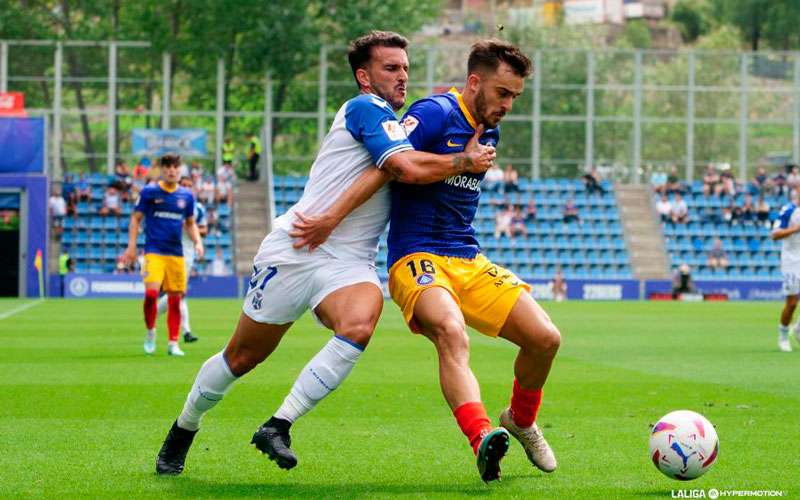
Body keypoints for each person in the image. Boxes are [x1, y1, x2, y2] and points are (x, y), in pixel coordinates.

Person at [152, 31, 496, 477]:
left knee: (360, 322)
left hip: (349, 261)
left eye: (405, 68)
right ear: (364, 76)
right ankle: (184, 427)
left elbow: (411, 166)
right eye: (391, 68)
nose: (402, 76)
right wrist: (463, 162)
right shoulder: (364, 109)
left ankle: (278, 425)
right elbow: (402, 167)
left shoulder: (400, 124)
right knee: (241, 358)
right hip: (298, 246)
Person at [384, 39, 559, 483]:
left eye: (515, 97)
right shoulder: (433, 113)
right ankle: (482, 436)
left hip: (467, 258)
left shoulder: (490, 126)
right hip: (416, 254)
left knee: (545, 339)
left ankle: (519, 421)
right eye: (502, 93)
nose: (508, 105)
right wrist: (461, 159)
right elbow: (395, 164)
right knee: (450, 330)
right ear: (474, 81)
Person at [121, 154, 204, 357]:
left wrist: (198, 242)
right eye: (167, 167)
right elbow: (135, 219)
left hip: (177, 254)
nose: (171, 170)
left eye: (175, 167)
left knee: (176, 299)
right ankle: (151, 332)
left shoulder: (187, 196)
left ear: (180, 169)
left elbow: (191, 223)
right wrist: (131, 247)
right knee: (151, 294)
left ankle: (173, 343)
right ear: (161, 169)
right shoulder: (150, 192)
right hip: (153, 252)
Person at [156, 176, 208, 344]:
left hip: (187, 253)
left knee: (178, 293)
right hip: (169, 250)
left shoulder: (198, 208)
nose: (186, 188)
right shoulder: (170, 204)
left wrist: (192, 228)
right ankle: (185, 331)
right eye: (183, 185)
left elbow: (204, 229)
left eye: (189, 186)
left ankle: (154, 312)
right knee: (178, 292)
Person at [771, 189, 800, 352]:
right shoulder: (789, 210)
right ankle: (783, 336)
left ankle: (798, 329)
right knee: (792, 302)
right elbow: (775, 234)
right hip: (792, 260)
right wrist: (795, 229)